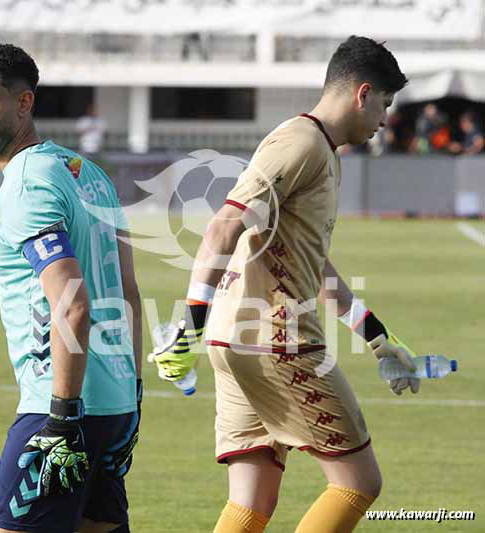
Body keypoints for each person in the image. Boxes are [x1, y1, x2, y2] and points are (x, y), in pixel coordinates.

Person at [149, 36, 420, 533]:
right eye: (384, 104)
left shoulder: (320, 151)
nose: (384, 119)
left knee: (252, 501)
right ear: (362, 94)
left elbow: (315, 268)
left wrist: (380, 338)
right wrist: (188, 322)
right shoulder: (301, 143)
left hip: (233, 343)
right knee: (358, 482)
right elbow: (223, 227)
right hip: (279, 341)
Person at [0, 43, 142, 533]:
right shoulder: (93, 176)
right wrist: (135, 394)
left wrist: (61, 417)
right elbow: (128, 296)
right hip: (117, 408)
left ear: (24, 103)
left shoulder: (26, 183)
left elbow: (72, 305)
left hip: (60, 410)